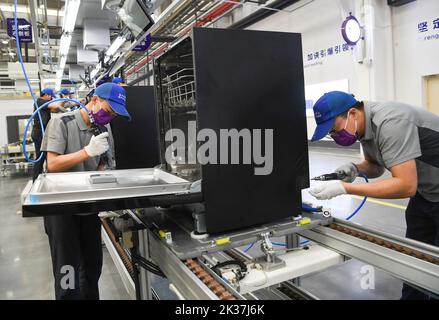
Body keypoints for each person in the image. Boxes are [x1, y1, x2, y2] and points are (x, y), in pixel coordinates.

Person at [308, 91, 439, 300]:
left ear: (352, 113)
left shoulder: (391, 122)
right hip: (427, 193)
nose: (335, 136)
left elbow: (406, 185)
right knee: (415, 258)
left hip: (427, 189)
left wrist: (345, 188)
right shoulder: (365, 129)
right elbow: (376, 167)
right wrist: (354, 168)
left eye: (334, 130)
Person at [41, 83, 131, 300]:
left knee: (92, 266)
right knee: (68, 271)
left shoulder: (103, 128)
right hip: (61, 210)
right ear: (95, 100)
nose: (109, 119)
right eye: (108, 112)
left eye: (114, 116)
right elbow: (52, 164)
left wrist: (103, 172)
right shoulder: (61, 122)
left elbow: (101, 165)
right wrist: (86, 152)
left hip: (87, 207)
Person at [31, 88, 64, 181]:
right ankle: (36, 180)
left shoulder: (44, 104)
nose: (51, 98)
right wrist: (62, 104)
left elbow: (56, 109)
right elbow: (56, 107)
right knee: (41, 158)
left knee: (45, 157)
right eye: (50, 96)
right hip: (39, 133)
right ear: (46, 95)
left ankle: (45, 178)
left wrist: (63, 103)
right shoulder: (40, 101)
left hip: (42, 133)